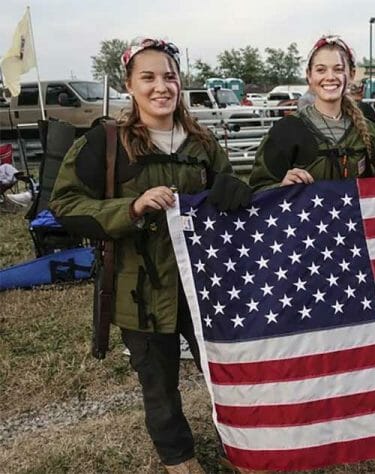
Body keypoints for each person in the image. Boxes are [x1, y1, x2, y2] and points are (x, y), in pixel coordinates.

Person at [49, 38, 251, 474]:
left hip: (204, 283)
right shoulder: (106, 144)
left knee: (225, 372)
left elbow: (230, 194)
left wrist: (235, 192)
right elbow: (64, 204)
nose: (162, 87)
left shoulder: (202, 143)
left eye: (170, 77)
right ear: (129, 85)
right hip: (138, 287)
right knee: (159, 384)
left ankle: (244, 446)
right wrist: (132, 207)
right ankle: (179, 459)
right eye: (149, 77)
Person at [249, 34, 375, 191]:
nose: (330, 77)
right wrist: (281, 187)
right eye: (321, 70)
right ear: (309, 75)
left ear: (351, 74)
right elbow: (258, 190)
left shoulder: (368, 130)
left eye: (338, 69)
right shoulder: (286, 131)